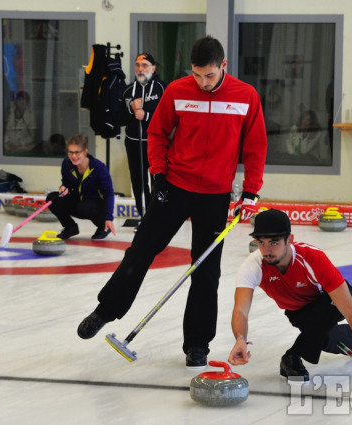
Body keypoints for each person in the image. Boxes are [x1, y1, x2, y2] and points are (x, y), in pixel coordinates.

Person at [76, 36, 268, 370]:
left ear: (223, 66)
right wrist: (159, 176)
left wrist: (251, 192)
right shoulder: (178, 91)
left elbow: (255, 146)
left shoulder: (245, 96)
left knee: (205, 270)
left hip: (215, 194)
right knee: (140, 251)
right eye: (196, 75)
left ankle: (197, 344)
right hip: (175, 187)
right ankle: (106, 310)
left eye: (209, 76)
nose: (203, 83)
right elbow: (158, 133)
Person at [227, 208, 352, 386]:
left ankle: (291, 356)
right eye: (261, 242)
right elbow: (241, 309)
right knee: (323, 339)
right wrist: (240, 339)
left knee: (318, 327)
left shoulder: (312, 258)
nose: (267, 250)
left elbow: (349, 310)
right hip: (299, 311)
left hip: (328, 300)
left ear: (290, 240)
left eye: (274, 242)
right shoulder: (253, 265)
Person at [116, 53, 166, 221]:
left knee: (157, 182)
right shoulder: (128, 90)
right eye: (137, 65)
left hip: (156, 145)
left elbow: (168, 118)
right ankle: (145, 218)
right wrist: (130, 109)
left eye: (144, 65)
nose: (140, 69)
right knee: (138, 182)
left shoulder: (162, 89)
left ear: (153, 68)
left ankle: (158, 218)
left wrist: (145, 115)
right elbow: (119, 119)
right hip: (133, 143)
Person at [47, 134, 116, 240]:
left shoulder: (98, 168)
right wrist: (64, 187)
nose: (73, 156)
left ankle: (104, 227)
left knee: (85, 206)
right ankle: (70, 227)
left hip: (96, 204)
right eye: (70, 152)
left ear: (85, 151)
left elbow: (109, 193)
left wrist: (109, 217)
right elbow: (66, 182)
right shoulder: (67, 164)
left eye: (77, 152)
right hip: (79, 201)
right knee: (52, 198)